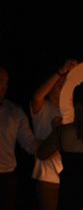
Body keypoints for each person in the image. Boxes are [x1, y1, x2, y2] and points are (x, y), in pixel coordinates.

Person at [38, 81, 83, 210]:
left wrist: (55, 131)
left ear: (73, 102)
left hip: (70, 194)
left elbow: (41, 153)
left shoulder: (62, 132)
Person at [30, 59, 78, 210]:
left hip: (68, 174)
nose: (61, 87)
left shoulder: (71, 111)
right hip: (46, 175)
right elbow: (37, 97)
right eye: (58, 84)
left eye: (64, 84)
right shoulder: (42, 107)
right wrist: (60, 72)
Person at [0, 66, 40, 210]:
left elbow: (29, 143)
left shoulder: (14, 111)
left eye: (6, 83)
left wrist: (53, 141)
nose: (3, 87)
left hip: (6, 178)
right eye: (0, 81)